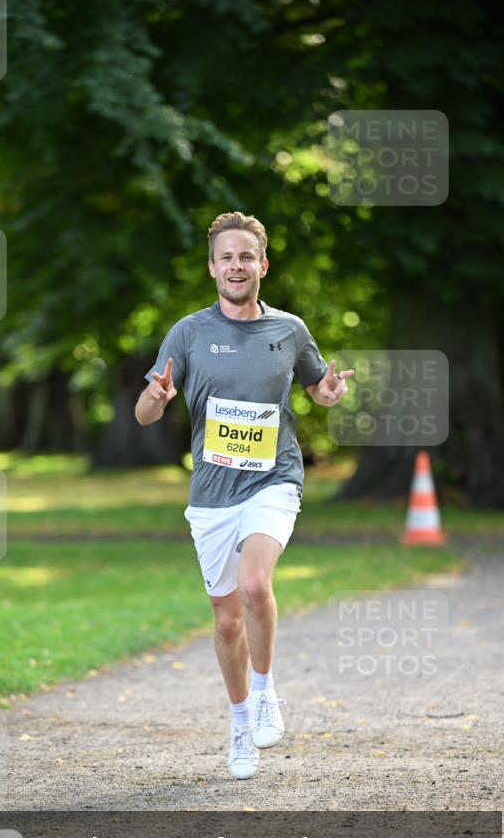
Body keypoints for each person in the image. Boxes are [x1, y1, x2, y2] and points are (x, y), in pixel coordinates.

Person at [135, 211, 353, 780]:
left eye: (246, 256)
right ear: (212, 267)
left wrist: (328, 393)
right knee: (226, 619)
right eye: (226, 257)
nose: (236, 265)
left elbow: (318, 388)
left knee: (256, 583)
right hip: (211, 493)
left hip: (273, 479)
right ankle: (239, 723)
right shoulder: (188, 333)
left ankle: (264, 691)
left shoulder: (289, 330)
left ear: (263, 264)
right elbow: (144, 411)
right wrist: (157, 397)